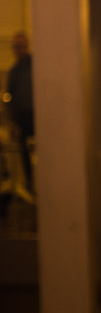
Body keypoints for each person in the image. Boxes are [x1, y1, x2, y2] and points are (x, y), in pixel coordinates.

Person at [6, 32, 34, 194]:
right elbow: (10, 99)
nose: (19, 50)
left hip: (35, 117)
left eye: (21, 46)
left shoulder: (35, 67)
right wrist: (12, 123)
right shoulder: (14, 72)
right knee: (23, 152)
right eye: (16, 47)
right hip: (21, 118)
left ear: (26, 46)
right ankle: (29, 184)